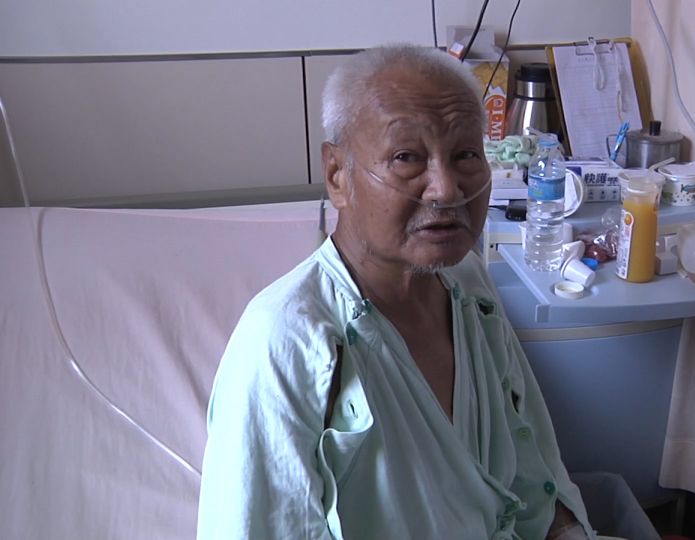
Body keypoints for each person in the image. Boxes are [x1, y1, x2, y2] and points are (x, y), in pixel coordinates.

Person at [197, 45, 595, 540]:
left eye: (466, 155)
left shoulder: (468, 284)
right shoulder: (285, 342)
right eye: (407, 157)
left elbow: (536, 473)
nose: (446, 189)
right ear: (337, 175)